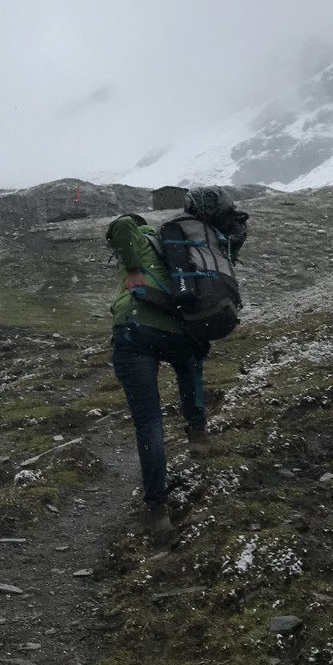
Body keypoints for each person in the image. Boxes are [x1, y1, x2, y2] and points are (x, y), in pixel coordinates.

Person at [106, 208, 210, 538]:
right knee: (188, 364)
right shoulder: (174, 249)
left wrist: (133, 269)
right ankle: (198, 435)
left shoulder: (133, 235)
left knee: (149, 420)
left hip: (136, 325)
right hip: (177, 329)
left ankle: (157, 509)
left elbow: (122, 225)